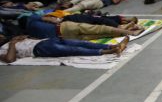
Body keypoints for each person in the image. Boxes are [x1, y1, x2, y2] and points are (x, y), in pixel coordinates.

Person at [0, 34, 128, 63]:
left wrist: (24, 37)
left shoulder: (13, 37)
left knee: (80, 43)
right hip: (39, 49)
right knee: (73, 50)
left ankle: (113, 46)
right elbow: (9, 59)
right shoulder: (3, 49)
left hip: (45, 41)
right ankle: (108, 51)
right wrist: (12, 44)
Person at [24, 14, 143, 40]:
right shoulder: (32, 21)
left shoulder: (30, 31)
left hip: (63, 34)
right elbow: (49, 19)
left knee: (97, 33)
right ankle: (128, 31)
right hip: (63, 30)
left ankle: (127, 31)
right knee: (98, 30)